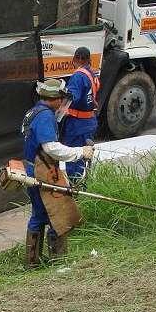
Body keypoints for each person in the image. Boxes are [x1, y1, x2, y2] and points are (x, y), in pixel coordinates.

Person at [21, 79, 94, 267]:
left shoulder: (33, 112)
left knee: (38, 214)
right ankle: (59, 260)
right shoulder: (46, 116)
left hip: (32, 167)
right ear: (54, 98)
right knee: (58, 213)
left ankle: (32, 262)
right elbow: (51, 148)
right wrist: (80, 152)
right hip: (42, 170)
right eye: (61, 98)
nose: (63, 102)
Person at [61, 47, 100, 182]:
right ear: (89, 60)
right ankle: (84, 188)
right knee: (85, 158)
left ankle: (76, 192)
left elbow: (72, 97)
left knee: (74, 159)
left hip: (78, 125)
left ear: (75, 59)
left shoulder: (78, 76)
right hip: (89, 122)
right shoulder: (91, 74)